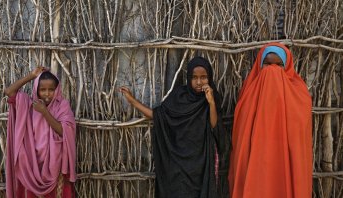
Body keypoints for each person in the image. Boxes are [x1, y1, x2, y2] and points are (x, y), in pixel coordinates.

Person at [120, 56, 225, 198]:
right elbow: (158, 116)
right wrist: (133, 101)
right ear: (188, 78)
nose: (199, 82)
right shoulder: (179, 96)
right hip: (178, 164)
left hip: (202, 163)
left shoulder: (212, 97)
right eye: (194, 77)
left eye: (204, 77)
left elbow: (214, 126)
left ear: (209, 77)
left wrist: (211, 102)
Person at [228, 43, 312, 198]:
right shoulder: (248, 93)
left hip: (285, 163)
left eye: (279, 65)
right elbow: (241, 139)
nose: (273, 70)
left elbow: (300, 138)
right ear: (259, 65)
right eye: (267, 64)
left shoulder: (300, 96)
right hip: (255, 163)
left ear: (287, 67)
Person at [5, 66, 76, 198]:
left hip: (55, 164)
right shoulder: (28, 104)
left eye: (51, 90)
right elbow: (9, 91)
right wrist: (31, 76)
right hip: (31, 164)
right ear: (36, 90)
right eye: (42, 89)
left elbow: (64, 131)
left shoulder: (62, 106)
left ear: (57, 90)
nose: (47, 93)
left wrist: (44, 112)